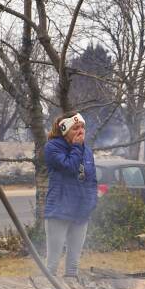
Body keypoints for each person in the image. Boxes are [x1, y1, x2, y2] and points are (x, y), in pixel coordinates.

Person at [44, 111, 97, 279]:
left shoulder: (86, 151)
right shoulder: (52, 147)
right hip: (59, 210)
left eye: (82, 127)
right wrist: (76, 147)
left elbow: (91, 180)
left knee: (73, 265)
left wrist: (91, 203)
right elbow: (69, 167)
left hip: (81, 212)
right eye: (75, 128)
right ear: (65, 130)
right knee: (52, 262)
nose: (80, 131)